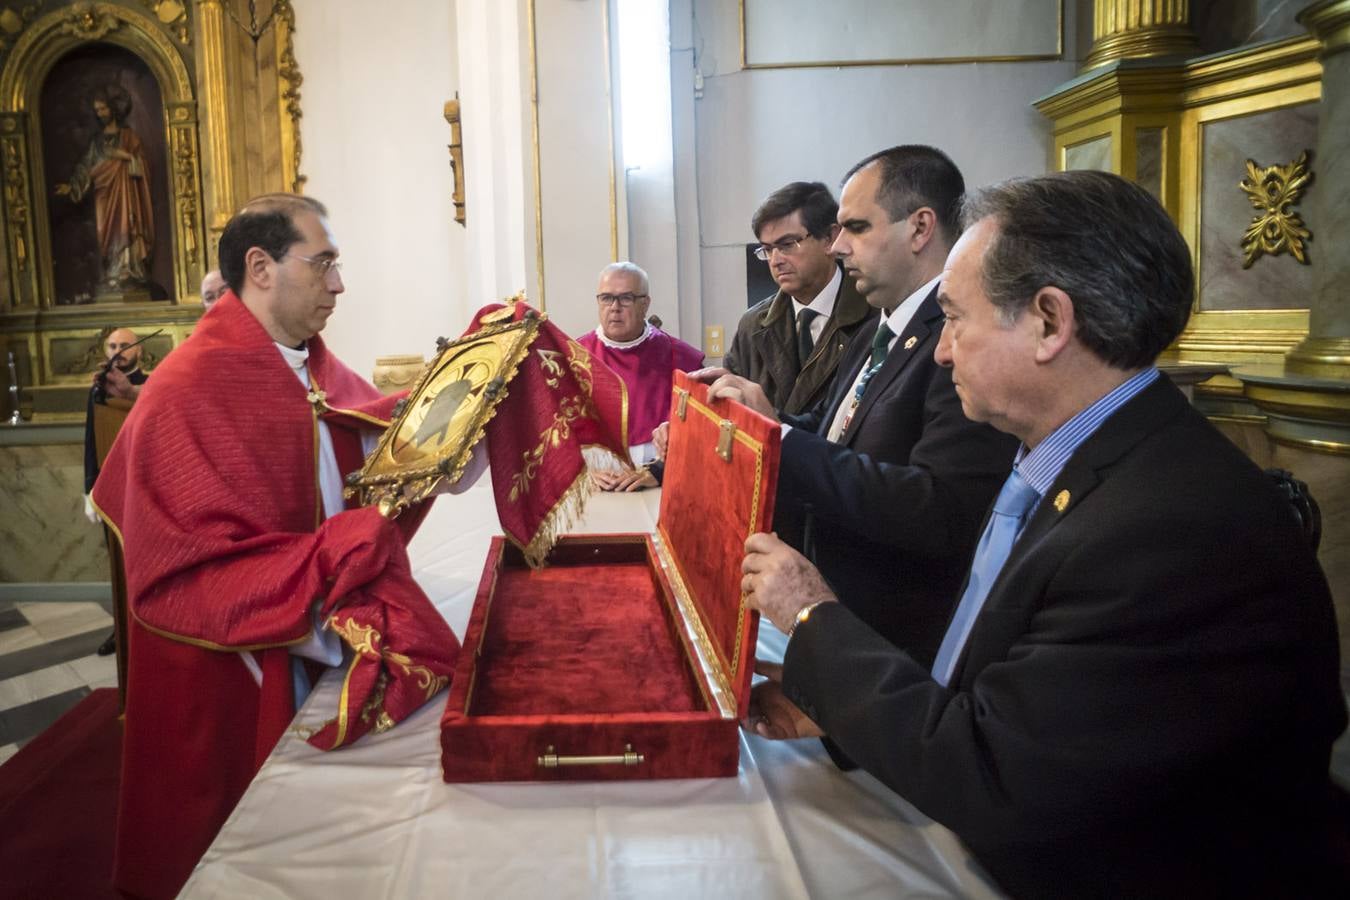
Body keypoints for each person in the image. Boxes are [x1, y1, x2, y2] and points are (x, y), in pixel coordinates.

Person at [741, 171, 1348, 896]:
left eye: (957, 320)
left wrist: (810, 616)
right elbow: (1004, 677)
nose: (940, 351)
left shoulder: (1168, 530)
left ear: (1050, 323)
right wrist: (838, 710)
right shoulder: (1077, 456)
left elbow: (995, 777)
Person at [91, 193, 461, 899]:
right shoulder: (185, 389)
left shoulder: (302, 359)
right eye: (322, 263)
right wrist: (324, 587)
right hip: (237, 666)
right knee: (247, 862)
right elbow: (183, 569)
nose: (339, 284)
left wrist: (453, 419)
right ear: (260, 268)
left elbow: (363, 429)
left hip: (310, 631)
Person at [705, 146, 1015, 664]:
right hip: (835, 617)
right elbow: (837, 435)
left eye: (856, 228)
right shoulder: (883, 325)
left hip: (897, 641)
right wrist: (767, 418)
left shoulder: (955, 340)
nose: (839, 247)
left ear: (919, 228)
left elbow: (935, 508)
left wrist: (779, 440)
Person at [724, 181, 876, 416]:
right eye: (767, 249)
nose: (775, 260)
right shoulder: (752, 325)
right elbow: (729, 413)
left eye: (787, 245)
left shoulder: (875, 313)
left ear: (829, 239)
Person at [578, 261, 702, 478]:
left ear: (645, 304)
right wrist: (585, 474)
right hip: (596, 484)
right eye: (606, 298)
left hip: (660, 481)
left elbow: (702, 434)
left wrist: (659, 473)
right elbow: (557, 437)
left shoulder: (681, 358)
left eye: (625, 298)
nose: (614, 307)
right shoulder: (575, 359)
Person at [55, 85, 154, 291]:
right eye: (97, 110)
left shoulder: (129, 137)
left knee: (127, 228)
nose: (100, 114)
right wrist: (72, 186)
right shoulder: (98, 142)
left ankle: (128, 271)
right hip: (104, 194)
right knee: (106, 234)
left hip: (127, 193)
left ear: (113, 108)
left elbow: (141, 165)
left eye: (103, 109)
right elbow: (86, 166)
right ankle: (112, 273)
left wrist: (124, 156)